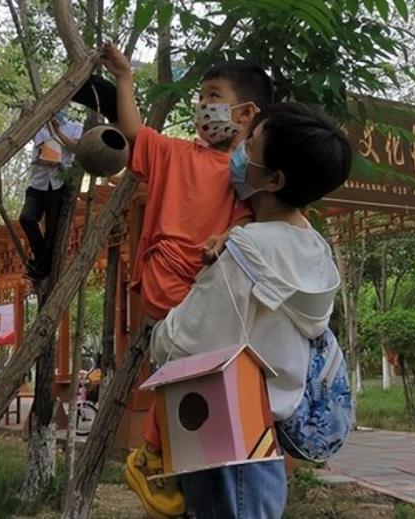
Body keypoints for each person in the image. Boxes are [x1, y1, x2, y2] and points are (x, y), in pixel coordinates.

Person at [149, 102, 352, 518]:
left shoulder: (246, 251)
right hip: (267, 445)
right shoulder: (315, 250)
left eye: (250, 144)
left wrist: (157, 324)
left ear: (274, 178)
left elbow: (182, 344)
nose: (239, 149)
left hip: (224, 446)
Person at [98, 42, 274, 517]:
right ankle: (156, 453)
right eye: (200, 98)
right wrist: (125, 78)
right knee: (189, 368)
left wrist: (226, 235)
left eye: (212, 96)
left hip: (210, 291)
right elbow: (133, 131)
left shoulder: (249, 179)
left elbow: (250, 224)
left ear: (245, 113)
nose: (202, 107)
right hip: (168, 282)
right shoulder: (175, 153)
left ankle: (162, 459)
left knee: (195, 376)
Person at [18, 111, 83, 280]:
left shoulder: (74, 128)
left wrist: (57, 131)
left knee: (52, 231)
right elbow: (28, 139)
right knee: (26, 218)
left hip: (58, 184)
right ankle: (41, 262)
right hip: (37, 182)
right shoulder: (40, 127)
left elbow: (76, 148)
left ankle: (41, 269)